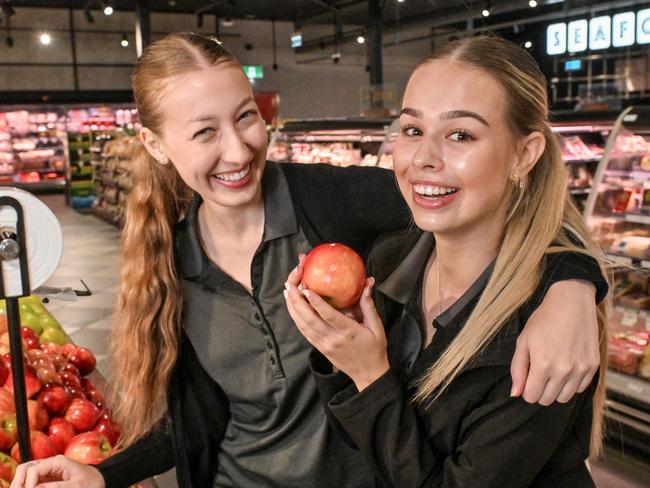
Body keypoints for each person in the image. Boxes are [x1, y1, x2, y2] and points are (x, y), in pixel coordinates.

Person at [12, 33, 606, 488]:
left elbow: (494, 205)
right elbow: (206, 416)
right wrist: (106, 473)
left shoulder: (329, 202)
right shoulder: (172, 257)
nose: (237, 147)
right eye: (203, 132)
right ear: (157, 147)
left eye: (245, 116)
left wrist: (573, 283)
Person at [285, 35, 610, 488]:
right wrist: (338, 357)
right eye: (413, 130)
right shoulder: (392, 258)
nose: (423, 158)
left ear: (525, 153)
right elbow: (359, 442)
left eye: (461, 135)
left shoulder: (539, 342)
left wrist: (369, 374)